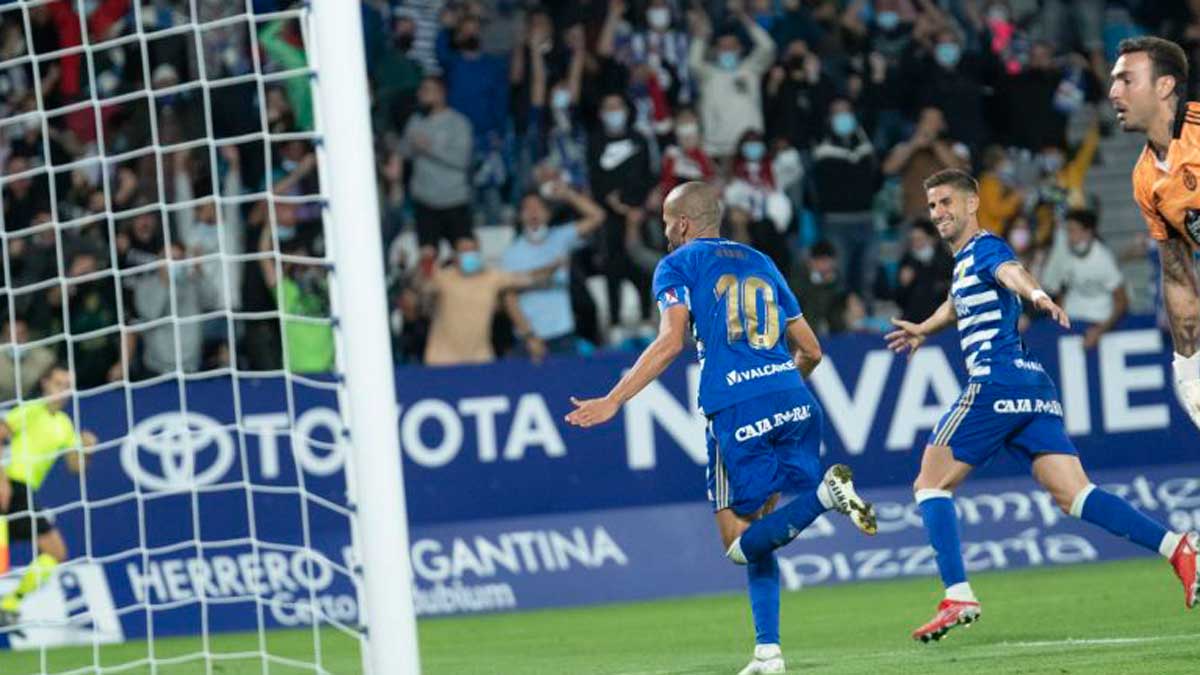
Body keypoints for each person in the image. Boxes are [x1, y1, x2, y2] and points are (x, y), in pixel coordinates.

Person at [565, 182, 877, 674]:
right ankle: (768, 651)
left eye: (668, 221)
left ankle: (824, 498)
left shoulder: (677, 265)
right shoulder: (761, 261)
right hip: (795, 400)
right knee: (762, 531)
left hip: (736, 408)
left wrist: (614, 399)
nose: (665, 230)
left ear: (683, 224)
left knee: (737, 544)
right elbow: (813, 350)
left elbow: (670, 342)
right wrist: (776, 385)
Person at [885, 169, 1198, 643]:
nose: (938, 213)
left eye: (946, 202)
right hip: (1034, 387)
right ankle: (1178, 547)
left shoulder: (987, 248)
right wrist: (924, 329)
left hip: (995, 381)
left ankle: (958, 594)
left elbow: (1011, 272)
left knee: (929, 485)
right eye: (932, 206)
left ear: (972, 204)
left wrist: (1036, 294)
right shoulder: (966, 261)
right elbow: (955, 304)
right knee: (1075, 495)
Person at [1109, 36, 1200, 431]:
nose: (1114, 91)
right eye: (1114, 80)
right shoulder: (1145, 178)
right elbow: (1179, 275)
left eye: (1127, 80)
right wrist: (1189, 367)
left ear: (1164, 86)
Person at [0, 366, 97, 627]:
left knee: (54, 552)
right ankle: (8, 604)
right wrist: (2, 480)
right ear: (45, 384)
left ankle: (9, 604)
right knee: (54, 550)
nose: (62, 391)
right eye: (58, 384)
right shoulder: (32, 409)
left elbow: (75, 468)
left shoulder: (65, 425)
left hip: (24, 491)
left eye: (67, 385)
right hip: (12, 484)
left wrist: (86, 450)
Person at [502, 183, 605, 360]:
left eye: (538, 207)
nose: (533, 213)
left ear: (548, 213)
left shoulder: (560, 237)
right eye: (527, 208)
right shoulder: (512, 253)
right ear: (520, 216)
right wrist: (529, 336)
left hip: (562, 334)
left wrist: (568, 194)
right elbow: (509, 297)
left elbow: (597, 216)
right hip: (528, 338)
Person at [1040, 209, 1128, 349]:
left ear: (1087, 233)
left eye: (1073, 231)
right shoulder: (1065, 254)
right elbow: (1059, 291)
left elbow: (1122, 301)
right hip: (1071, 320)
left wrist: (1100, 331)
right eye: (1067, 231)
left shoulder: (1103, 259)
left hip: (1098, 322)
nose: (1069, 236)